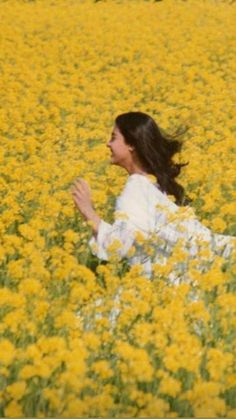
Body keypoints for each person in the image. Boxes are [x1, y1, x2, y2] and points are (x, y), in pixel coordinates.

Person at [71, 112, 235, 280]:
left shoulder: (136, 189)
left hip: (164, 289)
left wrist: (88, 212)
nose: (108, 144)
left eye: (113, 137)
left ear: (131, 144)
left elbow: (120, 245)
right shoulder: (154, 186)